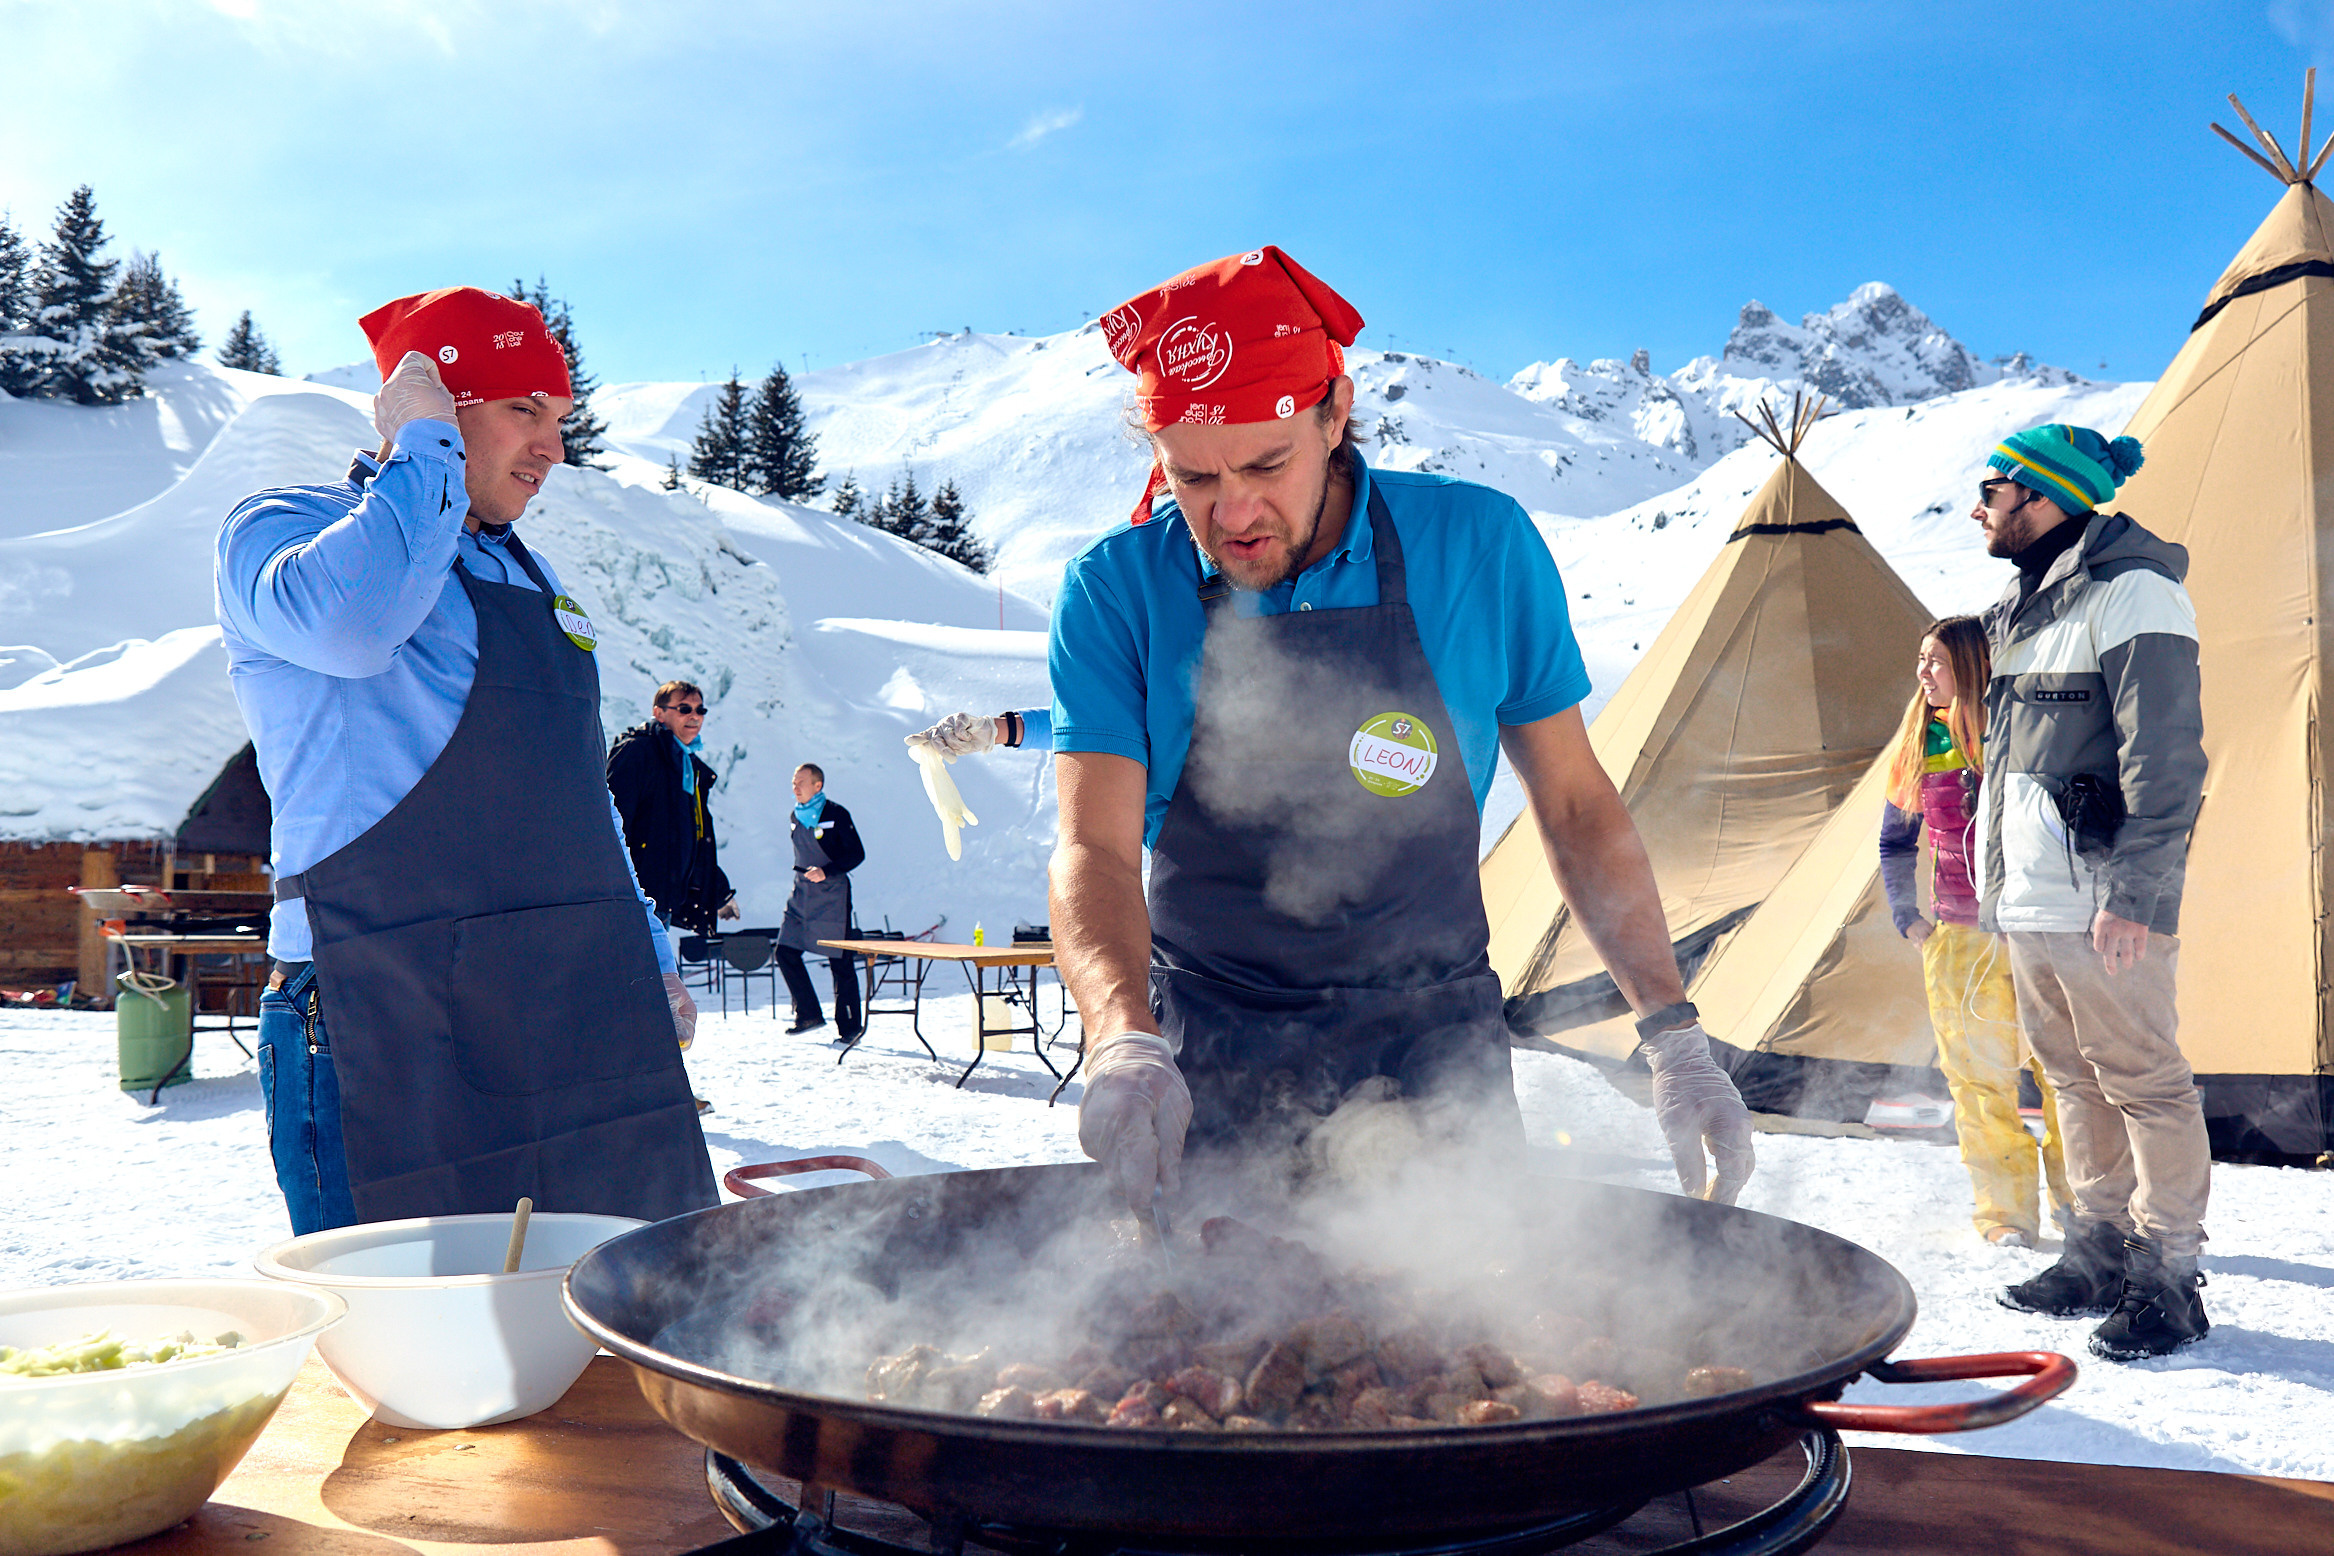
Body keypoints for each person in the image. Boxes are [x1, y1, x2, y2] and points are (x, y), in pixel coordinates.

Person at [1045, 246, 1755, 1213]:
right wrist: (1122, 1034)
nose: (1234, 511)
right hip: (1209, 1059)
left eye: (1266, 463)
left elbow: (1577, 803)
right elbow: (1092, 844)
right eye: (1193, 479)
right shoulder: (1116, 590)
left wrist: (1672, 1033)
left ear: (1335, 415)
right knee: (1216, 1345)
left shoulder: (1479, 547)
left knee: (1458, 1343)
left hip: (1436, 1055)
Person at [215, 286, 717, 1233]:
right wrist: (421, 449)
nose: (552, 448)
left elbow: (573, 790)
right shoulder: (282, 528)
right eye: (524, 409)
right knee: (413, 1342)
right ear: (435, 407)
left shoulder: (530, 571)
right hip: (379, 1008)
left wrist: (645, 953)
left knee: (612, 1308)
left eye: (561, 418)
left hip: (554, 999)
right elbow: (356, 625)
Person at [1970, 423, 2211, 1361]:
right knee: (2068, 1078)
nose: (1978, 507)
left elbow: (2168, 757)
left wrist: (2135, 893)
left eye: (1991, 488)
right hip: (2032, 896)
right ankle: (2097, 1249)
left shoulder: (2134, 593)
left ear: (2042, 494)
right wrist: (1999, 885)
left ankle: (2169, 1279)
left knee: (2145, 1081)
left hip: (2105, 897)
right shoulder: (2019, 606)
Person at [1880, 616, 2073, 1249]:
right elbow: (1894, 841)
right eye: (1920, 659)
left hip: (2040, 928)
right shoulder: (1919, 741)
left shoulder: (2023, 734)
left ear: (1970, 666)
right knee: (1979, 1082)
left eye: (1934, 661)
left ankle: (2084, 1207)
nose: (1922, 672)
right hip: (1960, 939)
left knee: (2065, 1075)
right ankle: (2006, 1216)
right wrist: (1908, 918)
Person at [607, 680, 742, 934]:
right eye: (684, 709)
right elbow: (609, 824)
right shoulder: (637, 752)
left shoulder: (686, 765)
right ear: (659, 712)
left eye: (700, 710)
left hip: (661, 901)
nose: (694, 716)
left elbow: (688, 839)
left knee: (651, 973)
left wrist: (720, 892)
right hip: (632, 900)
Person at [777, 763, 866, 1039]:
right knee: (785, 952)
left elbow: (857, 854)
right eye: (793, 782)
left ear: (818, 786)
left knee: (840, 961)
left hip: (832, 897)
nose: (795, 787)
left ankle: (850, 1028)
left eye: (801, 782)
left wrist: (826, 871)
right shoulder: (795, 815)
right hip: (801, 894)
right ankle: (809, 1014)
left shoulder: (837, 814)